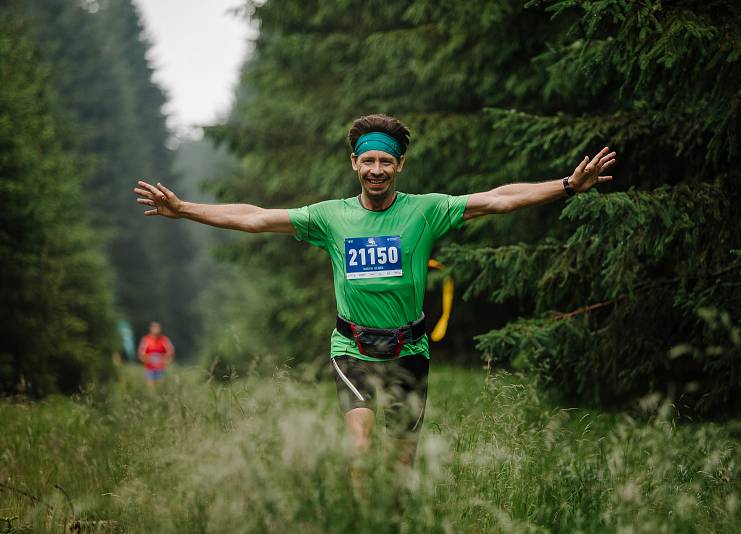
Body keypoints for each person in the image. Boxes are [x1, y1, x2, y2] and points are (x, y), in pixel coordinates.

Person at [133, 114, 615, 477]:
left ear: (399, 165)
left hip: (410, 350)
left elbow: (498, 198)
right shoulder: (330, 217)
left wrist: (568, 185)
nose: (377, 170)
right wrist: (186, 210)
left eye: (386, 161)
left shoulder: (426, 211)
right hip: (353, 350)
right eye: (369, 160)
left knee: (401, 463)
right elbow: (256, 217)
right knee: (361, 451)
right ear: (354, 164)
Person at [137, 321, 175, 390]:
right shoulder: (146, 339)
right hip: (149, 369)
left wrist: (167, 360)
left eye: (157, 328)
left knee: (161, 388)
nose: (156, 329)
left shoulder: (164, 339)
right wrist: (146, 360)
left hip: (161, 369)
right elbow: (141, 353)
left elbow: (171, 351)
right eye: (154, 328)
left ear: (160, 329)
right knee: (151, 389)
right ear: (150, 329)